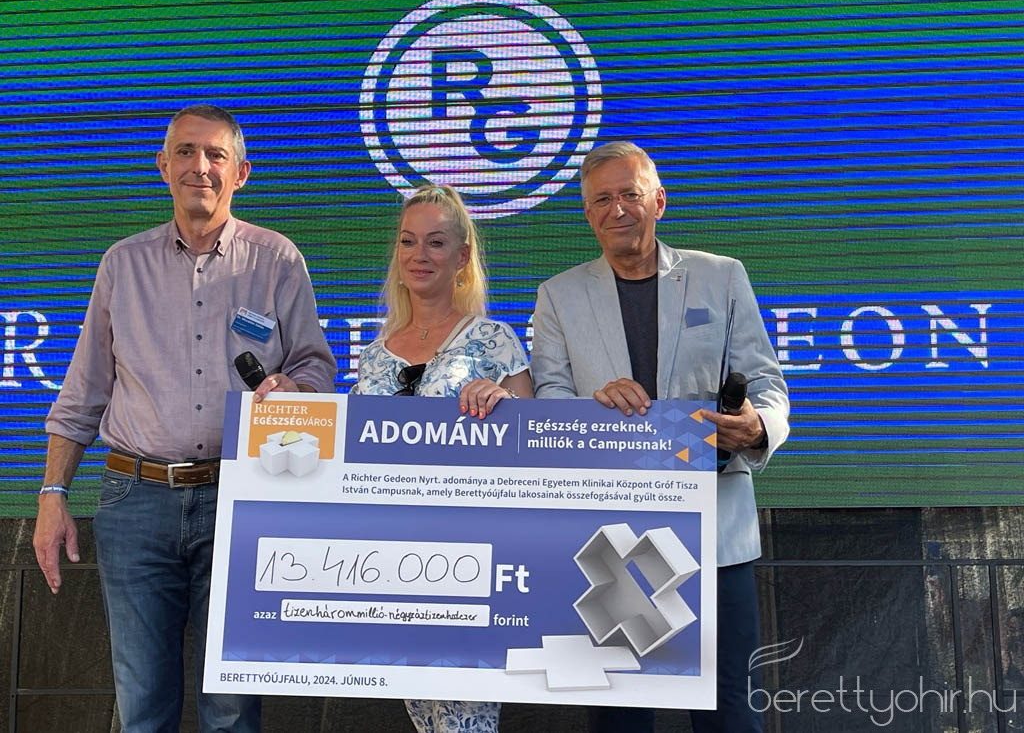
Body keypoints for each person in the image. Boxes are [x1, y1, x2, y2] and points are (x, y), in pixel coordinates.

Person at [33, 104, 338, 732]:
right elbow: (83, 392)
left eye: (216, 155)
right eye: (186, 152)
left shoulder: (277, 260)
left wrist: (295, 386)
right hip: (135, 501)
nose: (200, 167)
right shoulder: (122, 264)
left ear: (240, 173)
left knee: (231, 707)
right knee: (142, 706)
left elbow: (316, 367)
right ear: (163, 165)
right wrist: (52, 493)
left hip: (242, 497)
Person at [530, 141, 789, 733]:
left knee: (730, 712)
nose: (617, 209)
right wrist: (595, 407)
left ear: (659, 201)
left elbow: (767, 384)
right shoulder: (558, 295)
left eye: (630, 194)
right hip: (610, 540)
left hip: (715, 532)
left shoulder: (721, 276)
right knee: (620, 714)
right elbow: (548, 404)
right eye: (602, 200)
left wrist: (759, 428)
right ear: (588, 214)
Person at [352, 183, 532, 733]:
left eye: (435, 242)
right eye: (408, 241)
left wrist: (505, 405)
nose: (419, 254)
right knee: (426, 717)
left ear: (462, 255)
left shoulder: (495, 340)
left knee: (466, 720)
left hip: (471, 562)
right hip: (392, 565)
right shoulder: (372, 355)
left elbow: (535, 451)